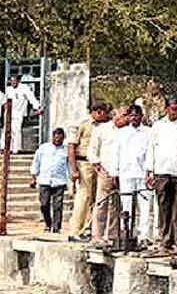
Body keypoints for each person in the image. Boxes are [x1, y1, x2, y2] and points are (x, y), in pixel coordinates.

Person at [145, 96, 177, 250]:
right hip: (161, 171)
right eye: (174, 109)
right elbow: (151, 148)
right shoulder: (158, 126)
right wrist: (149, 170)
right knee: (163, 208)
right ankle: (165, 240)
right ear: (166, 108)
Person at [66, 101, 109, 242]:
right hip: (84, 163)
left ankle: (88, 228)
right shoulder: (82, 123)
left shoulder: (105, 125)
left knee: (96, 199)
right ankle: (75, 230)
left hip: (99, 163)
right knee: (83, 197)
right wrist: (73, 169)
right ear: (98, 112)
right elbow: (71, 147)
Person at [88, 105, 127, 248]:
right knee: (101, 202)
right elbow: (92, 150)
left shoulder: (126, 132)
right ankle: (97, 235)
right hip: (106, 170)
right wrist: (97, 165)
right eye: (124, 115)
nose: (126, 118)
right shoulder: (102, 130)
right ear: (116, 116)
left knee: (116, 205)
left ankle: (112, 235)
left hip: (122, 171)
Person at [117, 104, 155, 243]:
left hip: (143, 174)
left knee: (144, 206)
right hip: (126, 173)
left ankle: (144, 236)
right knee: (126, 205)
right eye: (131, 115)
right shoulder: (121, 133)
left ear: (141, 116)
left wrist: (149, 171)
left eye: (136, 115)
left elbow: (151, 153)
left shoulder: (148, 132)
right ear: (128, 117)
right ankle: (126, 233)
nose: (134, 118)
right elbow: (117, 153)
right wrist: (115, 171)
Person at [30, 128, 69, 232]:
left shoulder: (66, 150)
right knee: (44, 204)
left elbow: (68, 166)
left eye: (59, 139)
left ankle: (56, 227)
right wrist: (33, 177)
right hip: (44, 180)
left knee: (58, 205)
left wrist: (70, 181)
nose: (57, 140)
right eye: (55, 138)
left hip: (59, 181)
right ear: (52, 137)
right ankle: (48, 223)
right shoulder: (43, 148)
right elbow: (36, 163)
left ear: (63, 139)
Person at [3, 75, 41, 153]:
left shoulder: (24, 88)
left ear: (18, 81)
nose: (13, 83)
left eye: (15, 81)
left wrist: (37, 107)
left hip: (18, 112)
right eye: (12, 81)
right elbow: (4, 101)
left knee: (16, 130)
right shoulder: (8, 89)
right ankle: (6, 148)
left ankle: (16, 149)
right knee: (6, 130)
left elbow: (31, 97)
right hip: (9, 112)